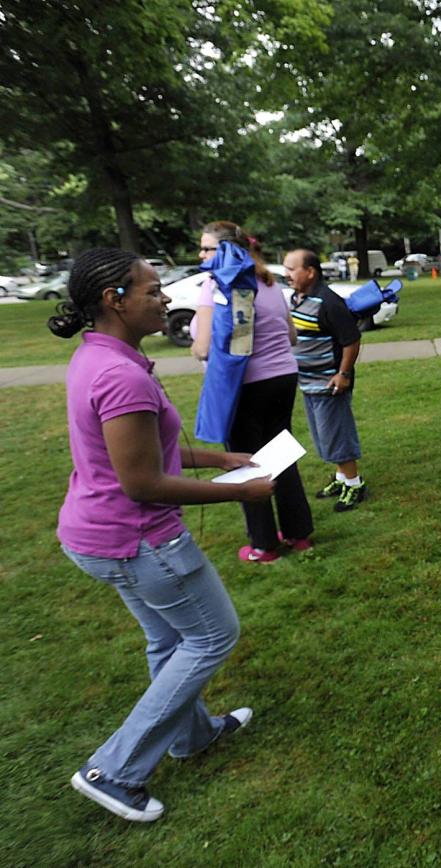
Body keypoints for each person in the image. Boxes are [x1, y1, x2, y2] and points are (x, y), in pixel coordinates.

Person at [47, 249, 273, 822]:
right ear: (113, 300)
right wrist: (240, 491)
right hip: (138, 541)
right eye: (153, 291)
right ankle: (115, 770)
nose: (166, 298)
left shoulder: (99, 357)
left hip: (98, 536)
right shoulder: (120, 375)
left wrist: (221, 457)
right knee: (211, 638)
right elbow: (145, 482)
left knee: (171, 642)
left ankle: (191, 736)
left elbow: (151, 450)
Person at [192, 221, 313, 562]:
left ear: (228, 250)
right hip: (284, 377)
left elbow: (202, 348)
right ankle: (299, 534)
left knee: (247, 461)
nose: (202, 256)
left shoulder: (216, 283)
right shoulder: (270, 282)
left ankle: (263, 544)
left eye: (208, 249)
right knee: (281, 457)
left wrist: (197, 347)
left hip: (245, 385)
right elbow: (291, 336)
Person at [283, 249, 368, 510]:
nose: (286, 274)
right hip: (308, 382)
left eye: (291, 269)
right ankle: (342, 477)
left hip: (329, 384)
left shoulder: (329, 301)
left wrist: (342, 374)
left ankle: (354, 484)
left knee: (337, 435)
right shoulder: (299, 297)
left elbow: (351, 341)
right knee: (324, 437)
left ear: (310, 272)